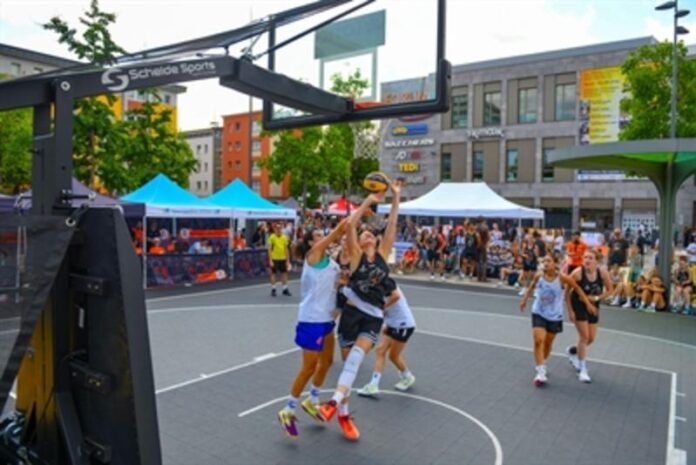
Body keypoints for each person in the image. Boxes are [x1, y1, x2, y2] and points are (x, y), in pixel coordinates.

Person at [319, 182, 402, 441]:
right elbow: (350, 225)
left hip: (372, 317)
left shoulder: (383, 253)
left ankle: (332, 404)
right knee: (349, 367)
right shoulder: (355, 257)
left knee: (355, 359)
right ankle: (342, 412)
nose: (367, 234)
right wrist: (367, 202)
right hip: (351, 317)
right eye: (364, 233)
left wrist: (396, 197)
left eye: (370, 233)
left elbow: (392, 225)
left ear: (376, 240)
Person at [277, 219, 347, 439]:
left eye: (320, 234)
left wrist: (341, 286)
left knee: (326, 362)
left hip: (326, 318)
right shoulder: (313, 256)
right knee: (309, 367)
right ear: (310, 243)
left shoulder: (331, 261)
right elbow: (335, 233)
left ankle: (312, 399)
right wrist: (350, 220)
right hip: (311, 320)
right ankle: (287, 409)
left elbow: (338, 283)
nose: (320, 237)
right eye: (316, 236)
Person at [519, 253, 596, 387]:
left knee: (548, 344)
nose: (545, 263)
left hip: (554, 315)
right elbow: (532, 286)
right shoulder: (539, 276)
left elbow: (577, 289)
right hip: (539, 312)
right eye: (544, 261)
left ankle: (542, 361)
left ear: (555, 263)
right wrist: (525, 299)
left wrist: (588, 303)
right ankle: (540, 371)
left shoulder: (563, 278)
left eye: (548, 261)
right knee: (538, 340)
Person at [356, 281, 416, 397]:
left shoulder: (387, 282)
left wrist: (382, 308)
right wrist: (386, 323)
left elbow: (396, 296)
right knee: (380, 351)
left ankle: (408, 376)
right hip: (392, 323)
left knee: (393, 356)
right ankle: (373, 385)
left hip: (403, 325)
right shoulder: (373, 289)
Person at [565, 249, 613, 383]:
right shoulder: (577, 273)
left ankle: (572, 351)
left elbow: (610, 290)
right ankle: (583, 370)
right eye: (585, 257)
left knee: (591, 339)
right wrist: (570, 311)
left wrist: (597, 298)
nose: (587, 260)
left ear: (596, 261)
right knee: (584, 337)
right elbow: (567, 293)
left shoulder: (602, 273)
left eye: (590, 258)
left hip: (593, 305)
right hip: (578, 305)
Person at [268, 222, 292, 297]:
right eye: (277, 228)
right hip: (275, 258)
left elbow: (286, 249)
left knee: (284, 273)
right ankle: (273, 289)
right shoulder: (272, 237)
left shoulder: (284, 237)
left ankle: (285, 289)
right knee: (273, 274)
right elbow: (269, 249)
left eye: (280, 228)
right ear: (274, 229)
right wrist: (270, 260)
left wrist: (288, 260)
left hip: (283, 258)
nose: (278, 230)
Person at [476, 217, 490, 282]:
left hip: (477, 246)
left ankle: (479, 277)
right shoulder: (485, 227)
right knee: (484, 261)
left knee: (478, 261)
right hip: (483, 245)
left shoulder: (476, 227)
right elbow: (488, 237)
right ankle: (484, 277)